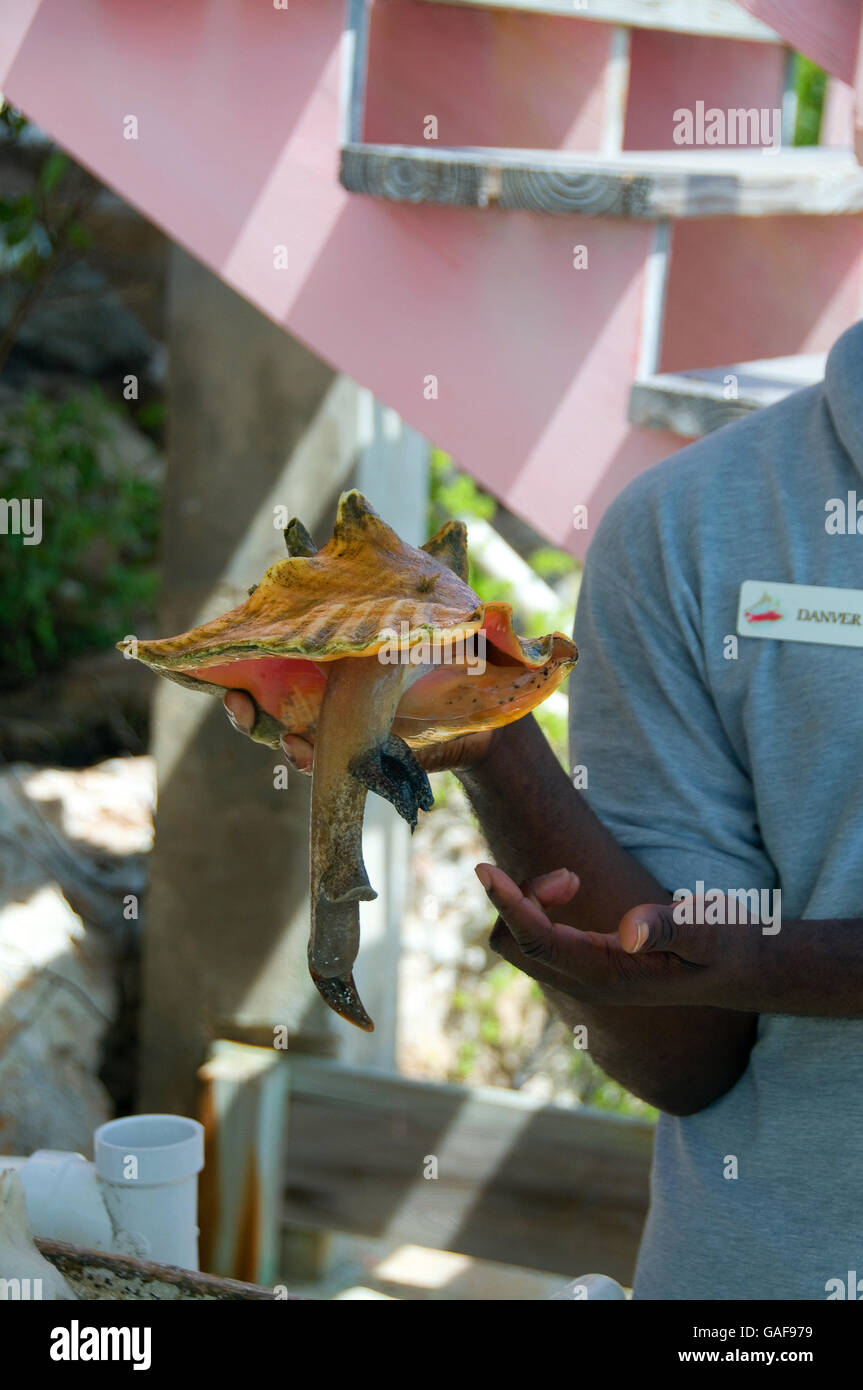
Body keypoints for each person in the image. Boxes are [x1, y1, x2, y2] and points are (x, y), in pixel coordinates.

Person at [223, 321, 863, 1300]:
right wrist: (494, 739)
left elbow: (739, 962)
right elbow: (689, 1058)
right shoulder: (682, 529)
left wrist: (763, 960)